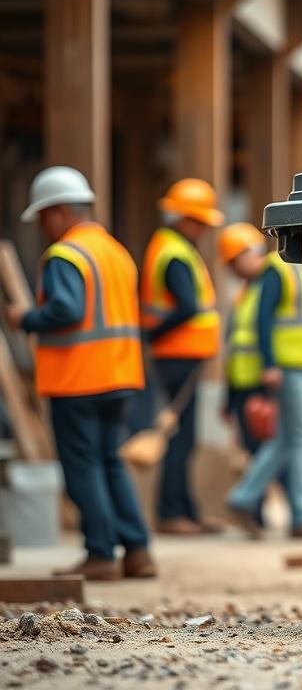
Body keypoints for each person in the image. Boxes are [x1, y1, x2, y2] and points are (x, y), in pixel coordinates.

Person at [5, 167, 155, 580]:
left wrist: (26, 318)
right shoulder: (115, 251)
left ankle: (101, 553)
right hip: (120, 375)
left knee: (84, 468)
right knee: (110, 462)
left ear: (56, 212)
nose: (42, 227)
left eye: (42, 216)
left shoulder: (65, 255)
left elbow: (66, 310)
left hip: (79, 379)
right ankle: (139, 552)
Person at [223, 224, 302, 540]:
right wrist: (270, 363)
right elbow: (263, 320)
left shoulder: (298, 267)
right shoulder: (277, 269)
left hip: (301, 364)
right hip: (287, 366)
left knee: (286, 439)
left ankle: (243, 497)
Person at [140, 178, 223, 535]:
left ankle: (185, 511)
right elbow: (188, 307)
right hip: (178, 356)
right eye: (200, 222)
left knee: (183, 438)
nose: (203, 230)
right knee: (178, 438)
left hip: (181, 355)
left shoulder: (171, 247)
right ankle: (173, 513)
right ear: (185, 219)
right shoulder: (174, 253)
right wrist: (153, 335)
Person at [218, 222, 284, 525]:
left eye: (234, 262)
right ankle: (254, 513)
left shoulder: (267, 283)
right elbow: (235, 348)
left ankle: (255, 508)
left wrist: (270, 368)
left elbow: (264, 331)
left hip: (261, 382)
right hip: (243, 384)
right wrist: (228, 398)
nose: (233, 270)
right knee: (256, 449)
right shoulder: (245, 293)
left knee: (276, 446)